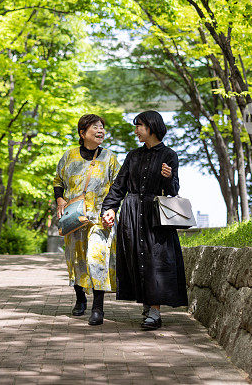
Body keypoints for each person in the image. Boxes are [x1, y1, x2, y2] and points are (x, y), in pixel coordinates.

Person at [100, 110, 188, 330]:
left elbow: (173, 190)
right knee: (135, 258)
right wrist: (109, 208)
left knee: (155, 259)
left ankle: (155, 312)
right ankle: (148, 306)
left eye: (139, 125)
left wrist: (168, 178)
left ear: (151, 127)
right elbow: (119, 185)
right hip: (131, 212)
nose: (136, 130)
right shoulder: (133, 156)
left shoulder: (169, 155)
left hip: (154, 215)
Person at [54, 114, 120, 326]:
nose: (100, 131)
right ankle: (80, 297)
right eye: (95, 128)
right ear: (83, 133)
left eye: (102, 127)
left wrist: (111, 209)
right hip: (74, 215)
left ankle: (98, 308)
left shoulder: (109, 157)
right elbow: (58, 181)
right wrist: (60, 200)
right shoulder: (69, 156)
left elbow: (118, 186)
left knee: (97, 258)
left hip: (101, 216)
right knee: (77, 258)